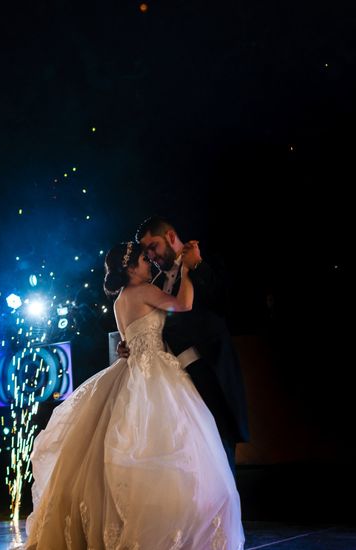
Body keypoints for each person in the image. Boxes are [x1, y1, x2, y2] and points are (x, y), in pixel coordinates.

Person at [24, 241, 244, 550]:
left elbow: (127, 340)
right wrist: (186, 271)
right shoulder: (144, 291)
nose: (149, 263)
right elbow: (182, 305)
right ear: (130, 268)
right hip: (155, 370)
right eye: (143, 259)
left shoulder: (118, 302)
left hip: (130, 370)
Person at [129, 216, 250, 475]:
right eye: (146, 251)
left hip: (211, 373)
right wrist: (131, 346)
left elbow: (228, 304)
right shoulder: (156, 286)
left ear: (171, 237)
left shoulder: (207, 262)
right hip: (174, 380)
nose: (150, 256)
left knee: (219, 445)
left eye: (153, 247)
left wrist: (198, 267)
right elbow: (152, 330)